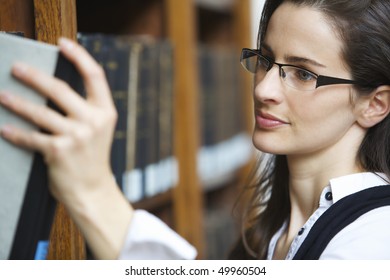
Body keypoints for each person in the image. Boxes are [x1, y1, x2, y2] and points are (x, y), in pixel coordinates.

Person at [1, 0, 390, 260]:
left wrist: (92, 190)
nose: (264, 89)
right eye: (266, 60)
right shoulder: (269, 235)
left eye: (304, 74)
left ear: (374, 104)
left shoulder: (373, 243)